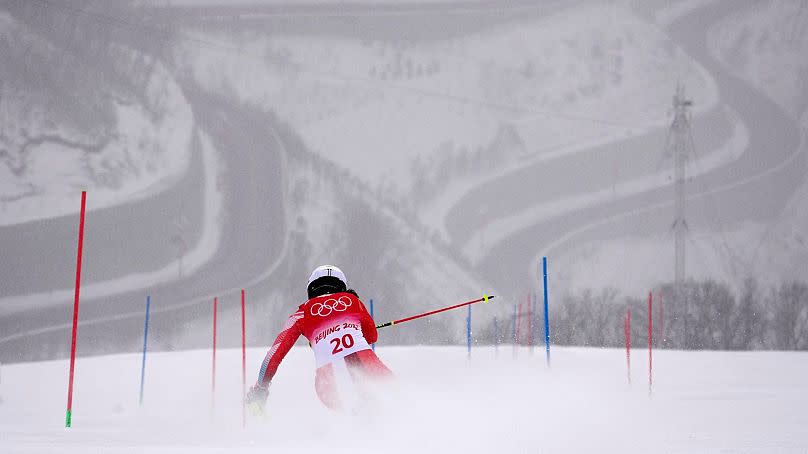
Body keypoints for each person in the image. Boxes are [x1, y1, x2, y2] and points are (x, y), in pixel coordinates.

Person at [246, 265, 392, 412]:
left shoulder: (301, 314)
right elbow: (372, 336)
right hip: (372, 370)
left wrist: (260, 388)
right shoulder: (353, 301)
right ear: (342, 286)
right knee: (395, 411)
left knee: (351, 420)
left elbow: (273, 356)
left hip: (329, 387)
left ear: (311, 289)